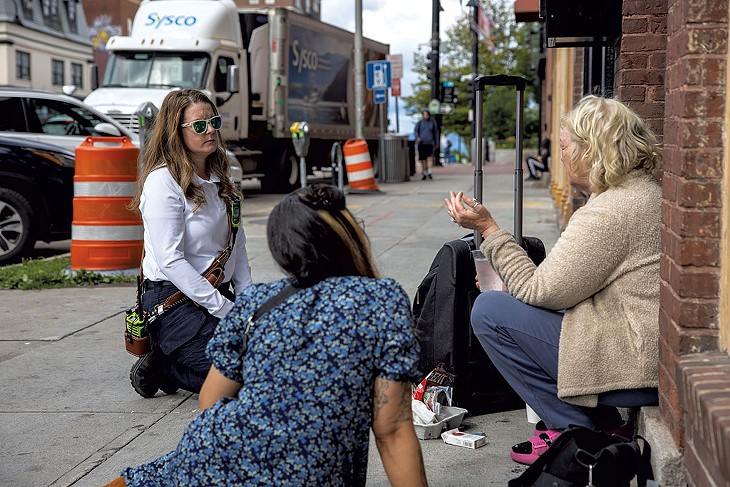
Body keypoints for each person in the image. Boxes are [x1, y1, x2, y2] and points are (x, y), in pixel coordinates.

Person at [105, 183, 428, 487]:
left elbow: (212, 401)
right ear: (347, 237)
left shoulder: (257, 301)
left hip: (211, 455)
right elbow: (393, 430)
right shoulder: (379, 299)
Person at [445, 95, 662, 466]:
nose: (560, 155)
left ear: (591, 150)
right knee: (504, 304)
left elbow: (537, 290)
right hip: (640, 353)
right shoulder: (641, 192)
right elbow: (563, 287)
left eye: (564, 146)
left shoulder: (611, 210)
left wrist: (488, 228)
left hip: (630, 366)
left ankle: (576, 434)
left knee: (489, 311)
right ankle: (599, 422)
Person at [128, 88, 252, 398]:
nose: (210, 130)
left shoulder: (221, 178)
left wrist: (247, 308)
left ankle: (175, 359)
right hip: (173, 301)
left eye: (214, 121)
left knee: (265, 363)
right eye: (199, 125)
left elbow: (237, 246)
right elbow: (170, 261)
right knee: (237, 384)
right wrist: (223, 308)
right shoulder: (162, 183)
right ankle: (163, 365)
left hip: (212, 294)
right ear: (176, 132)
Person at [414, 110, 439, 180]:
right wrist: (417, 137)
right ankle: (424, 172)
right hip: (422, 143)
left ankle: (429, 171)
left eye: (427, 115)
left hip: (430, 142)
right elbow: (416, 131)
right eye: (424, 115)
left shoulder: (432, 123)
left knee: (429, 157)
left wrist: (436, 142)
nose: (425, 116)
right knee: (423, 159)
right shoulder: (419, 123)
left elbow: (435, 133)